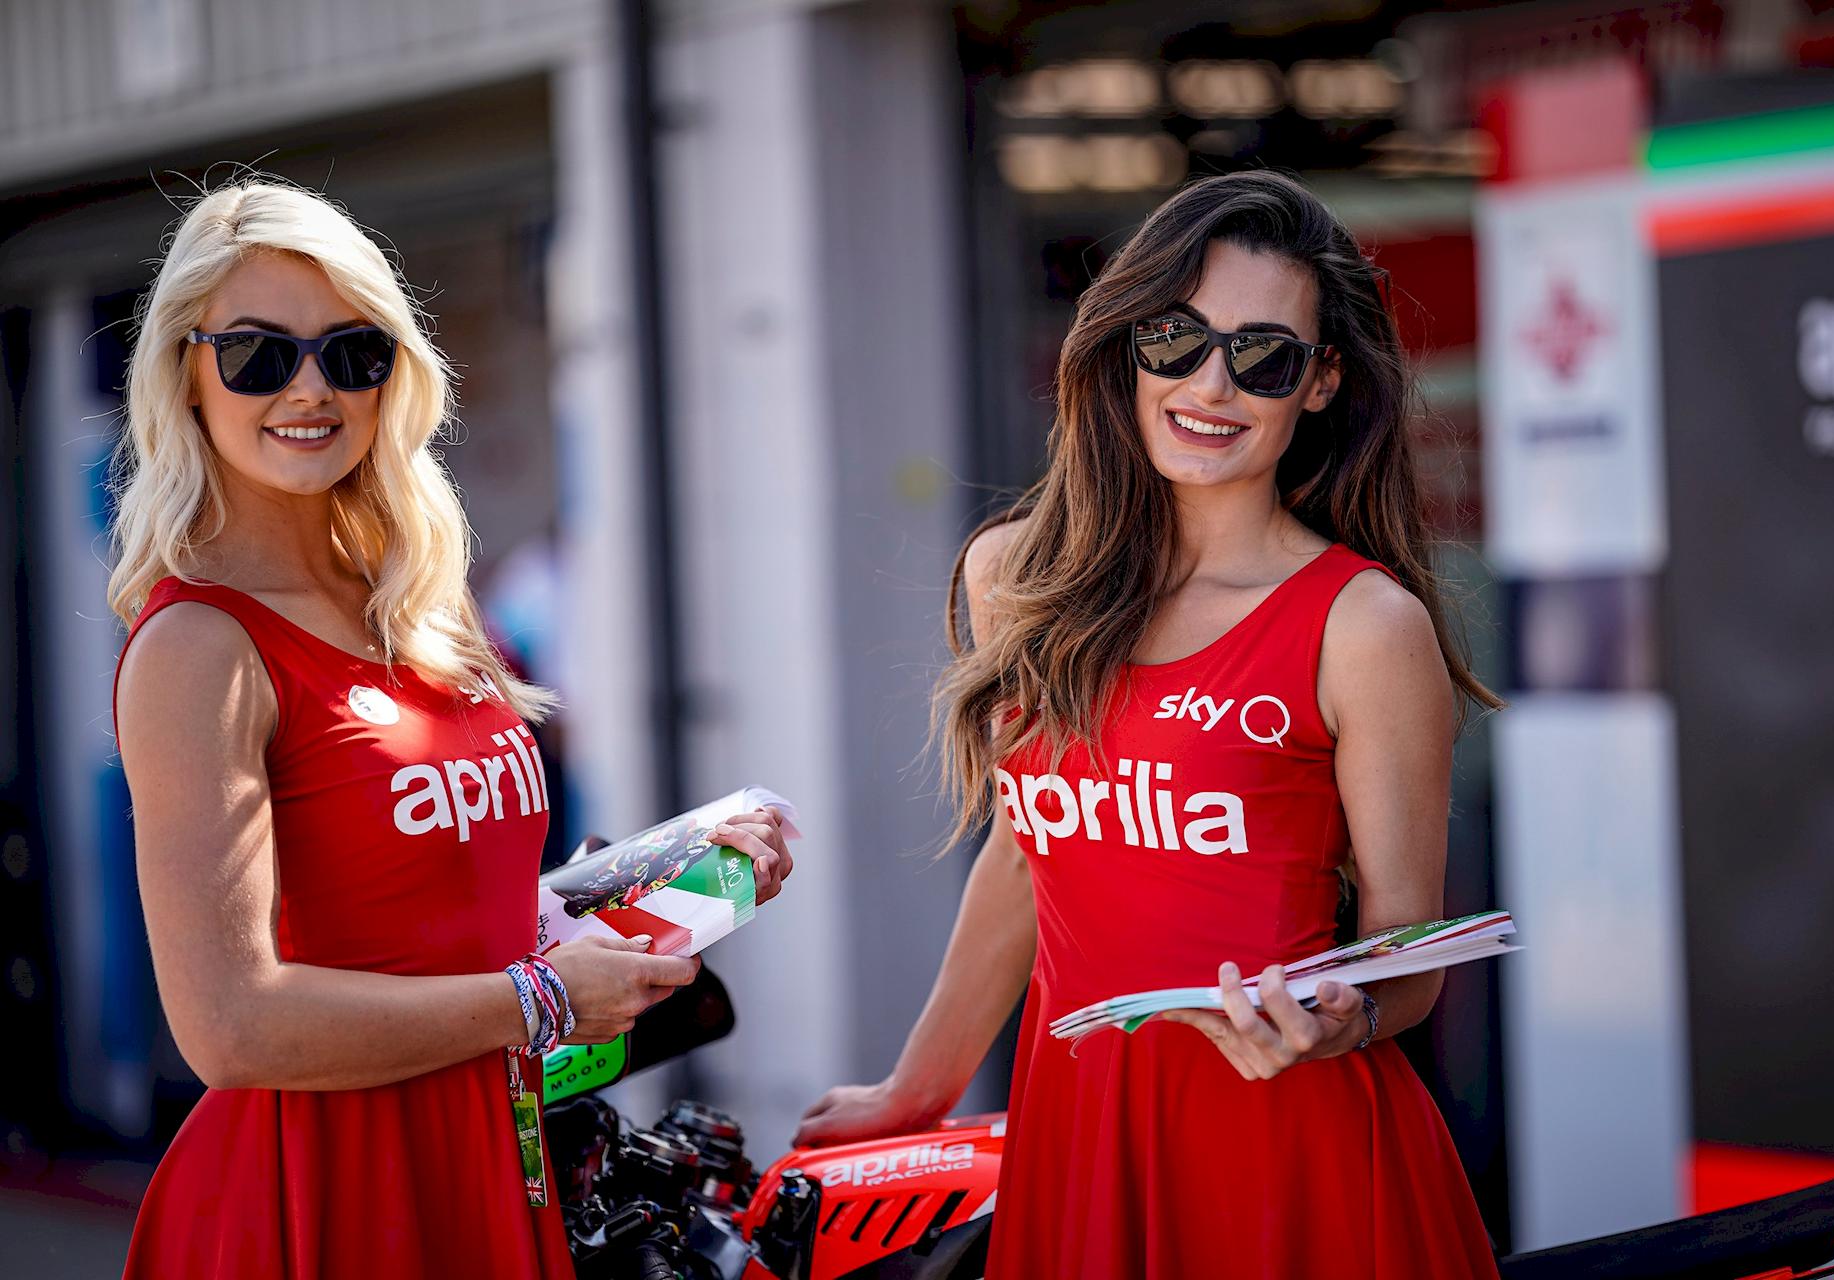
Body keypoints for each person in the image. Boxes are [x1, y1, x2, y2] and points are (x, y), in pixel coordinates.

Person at [796, 170, 1502, 1277]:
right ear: (1127, 344)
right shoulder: (1015, 577)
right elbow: (1031, 854)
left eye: (1262, 354)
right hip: (1080, 1135)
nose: (1210, 384)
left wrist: (1340, 1018)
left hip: (1293, 1152)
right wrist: (915, 1088)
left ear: (1318, 384)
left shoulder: (1363, 623)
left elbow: (1411, 951)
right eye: (1178, 338)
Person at [108, 179, 792, 1279]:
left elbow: (448, 916)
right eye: (257, 354)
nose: (312, 386)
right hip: (322, 1193)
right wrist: (550, 996)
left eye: (353, 350)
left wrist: (668, 886)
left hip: (491, 1151)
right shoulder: (199, 647)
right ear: (187, 372)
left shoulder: (422, 606)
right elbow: (230, 1025)